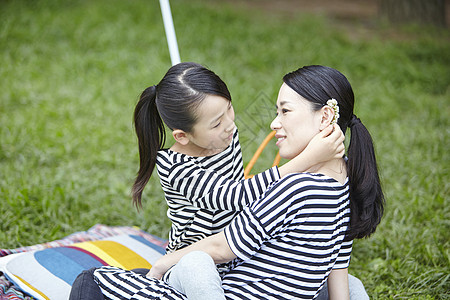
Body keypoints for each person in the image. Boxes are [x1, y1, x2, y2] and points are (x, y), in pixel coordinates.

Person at [69, 63, 362, 299]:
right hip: (191, 259)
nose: (232, 126)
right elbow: (232, 196)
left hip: (234, 257)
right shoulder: (177, 168)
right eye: (217, 123)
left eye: (229, 111)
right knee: (196, 267)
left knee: (353, 286)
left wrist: (202, 103)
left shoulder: (227, 136)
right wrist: (305, 160)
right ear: (183, 136)